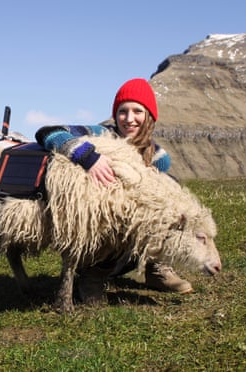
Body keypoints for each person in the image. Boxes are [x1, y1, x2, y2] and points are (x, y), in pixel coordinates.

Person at [35, 78, 193, 302]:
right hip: (96, 227)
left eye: (137, 111)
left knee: (169, 198)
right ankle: (93, 275)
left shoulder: (157, 158)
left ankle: (156, 268)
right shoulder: (101, 133)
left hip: (128, 238)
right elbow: (49, 132)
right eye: (122, 111)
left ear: (149, 116)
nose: (129, 119)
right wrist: (87, 157)